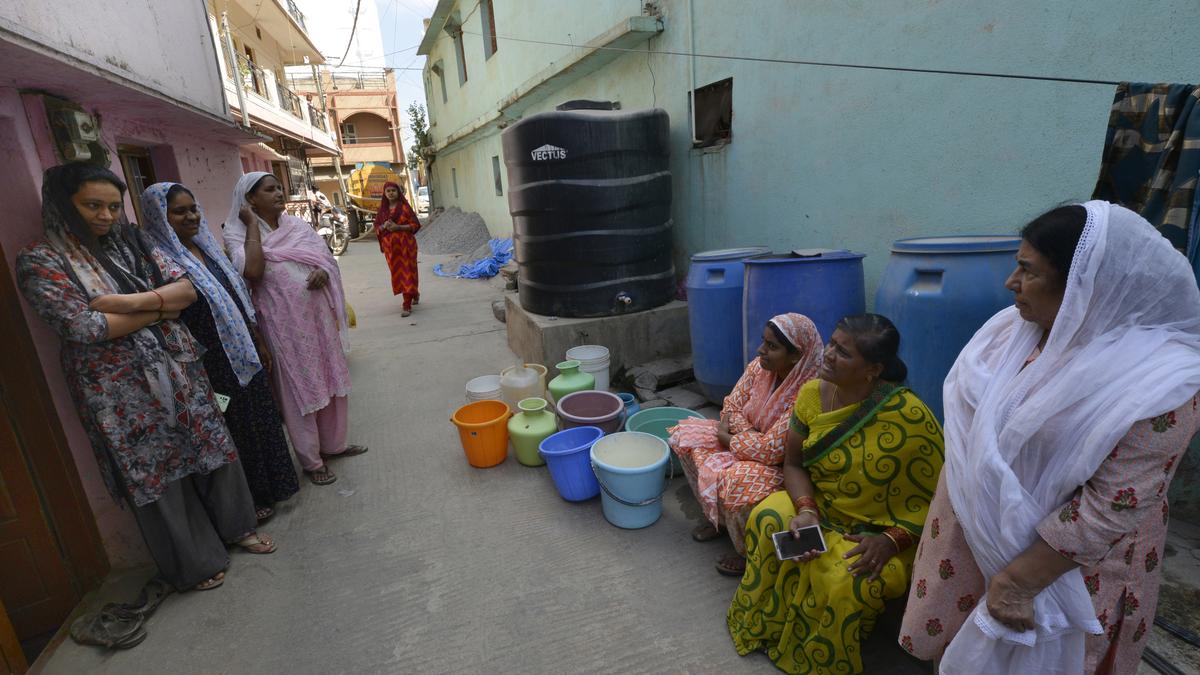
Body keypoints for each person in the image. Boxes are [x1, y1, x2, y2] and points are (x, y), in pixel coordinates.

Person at [899, 202, 1200, 674]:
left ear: (1086, 282)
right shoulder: (1009, 334)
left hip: (1063, 567)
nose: (1010, 284)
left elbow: (1113, 503)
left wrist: (1019, 581)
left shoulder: (1161, 380)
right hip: (970, 545)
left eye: (1027, 270)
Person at [16, 163, 275, 593]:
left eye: (113, 206)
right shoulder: (41, 260)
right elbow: (84, 327)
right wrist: (160, 308)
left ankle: (238, 529)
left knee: (211, 445)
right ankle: (195, 563)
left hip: (179, 369)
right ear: (65, 206)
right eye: (92, 205)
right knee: (157, 471)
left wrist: (124, 303)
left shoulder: (133, 242)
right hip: (118, 391)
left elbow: (186, 290)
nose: (105, 216)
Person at [728, 314, 945, 674]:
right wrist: (806, 510)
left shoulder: (909, 417)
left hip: (880, 529)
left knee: (845, 578)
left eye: (843, 353)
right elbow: (794, 465)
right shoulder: (812, 394)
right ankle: (769, 626)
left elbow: (940, 500)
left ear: (872, 370)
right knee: (768, 518)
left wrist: (890, 541)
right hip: (823, 508)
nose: (827, 355)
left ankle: (823, 659)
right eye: (831, 344)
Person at [140, 182, 300, 521]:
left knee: (261, 417)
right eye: (179, 211)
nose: (191, 216)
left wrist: (256, 339)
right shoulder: (159, 261)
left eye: (193, 208)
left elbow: (237, 296)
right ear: (159, 216)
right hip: (208, 363)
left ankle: (277, 486)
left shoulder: (207, 248)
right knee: (233, 427)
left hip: (242, 352)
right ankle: (251, 501)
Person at [222, 172, 367, 486]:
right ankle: (312, 462)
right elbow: (254, 271)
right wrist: (250, 226)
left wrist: (321, 273)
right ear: (250, 199)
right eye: (269, 190)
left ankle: (334, 445)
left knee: (330, 378)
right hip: (282, 328)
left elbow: (325, 260)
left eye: (279, 188)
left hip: (317, 321)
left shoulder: (298, 227)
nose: (278, 194)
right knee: (298, 390)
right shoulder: (237, 235)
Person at [670, 313, 823, 576]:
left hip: (781, 467)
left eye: (772, 346)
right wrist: (747, 433)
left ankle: (745, 550)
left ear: (796, 355)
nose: (761, 350)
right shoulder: (759, 368)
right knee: (687, 438)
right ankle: (716, 519)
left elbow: (772, 452)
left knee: (736, 481)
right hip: (747, 443)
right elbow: (730, 407)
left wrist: (729, 437)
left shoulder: (807, 393)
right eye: (763, 342)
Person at [373, 181, 421, 316]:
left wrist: (398, 227)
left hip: (407, 246)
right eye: (388, 191)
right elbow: (376, 227)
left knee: (408, 271)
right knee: (398, 273)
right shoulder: (382, 210)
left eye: (393, 190)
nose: (390, 193)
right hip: (391, 249)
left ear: (398, 192)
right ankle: (414, 293)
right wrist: (383, 227)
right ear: (384, 193)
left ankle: (406, 304)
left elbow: (415, 225)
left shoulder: (405, 208)